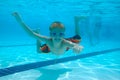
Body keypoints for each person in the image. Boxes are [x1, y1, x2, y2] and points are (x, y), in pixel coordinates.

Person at [12, 12, 83, 55]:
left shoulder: (65, 43)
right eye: (54, 34)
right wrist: (20, 21)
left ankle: (76, 20)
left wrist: (78, 47)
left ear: (63, 35)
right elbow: (31, 34)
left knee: (78, 39)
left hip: (64, 48)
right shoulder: (48, 40)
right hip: (51, 48)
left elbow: (75, 45)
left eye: (60, 34)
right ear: (51, 34)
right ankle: (38, 33)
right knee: (38, 51)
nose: (57, 37)